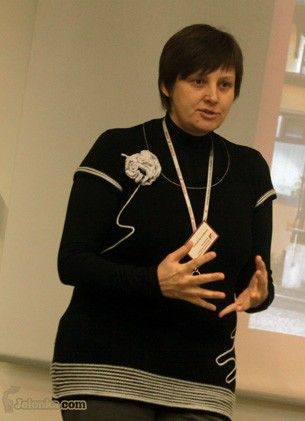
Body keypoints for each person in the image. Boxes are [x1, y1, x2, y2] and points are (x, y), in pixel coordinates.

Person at [51, 24, 276, 421]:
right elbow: (72, 263)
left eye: (225, 85)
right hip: (105, 366)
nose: (213, 96)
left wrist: (261, 295)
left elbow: (256, 278)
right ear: (167, 85)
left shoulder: (250, 170)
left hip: (202, 378)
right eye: (198, 81)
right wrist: (154, 281)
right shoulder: (117, 148)